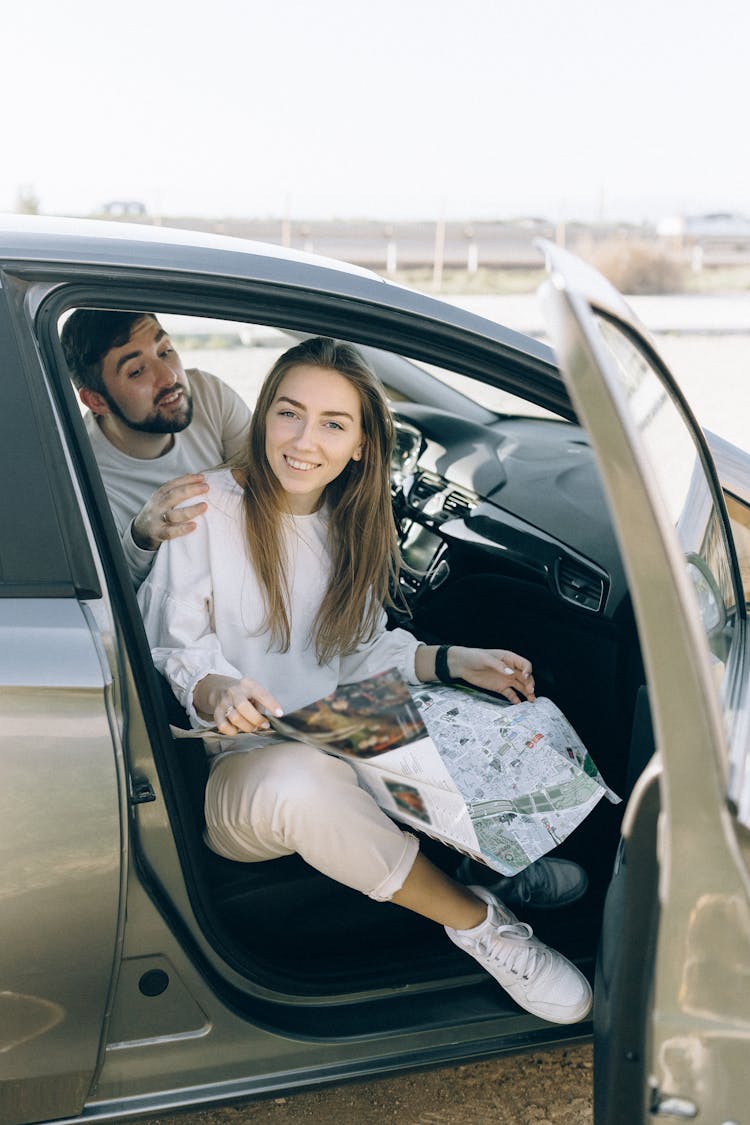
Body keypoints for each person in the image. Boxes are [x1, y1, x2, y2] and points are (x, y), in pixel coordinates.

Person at [137, 336, 593, 1025]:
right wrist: (219, 691)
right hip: (240, 774)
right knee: (305, 778)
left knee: (463, 720)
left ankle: (497, 861)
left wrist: (451, 660)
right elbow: (173, 644)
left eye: (332, 423)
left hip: (341, 731)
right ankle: (481, 923)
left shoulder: (347, 519)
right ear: (263, 417)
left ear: (360, 445)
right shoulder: (207, 507)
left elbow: (360, 650)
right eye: (289, 413)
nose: (303, 440)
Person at [61, 309, 251, 583]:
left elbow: (267, 490)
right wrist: (141, 540)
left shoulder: (210, 394)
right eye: (137, 371)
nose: (170, 377)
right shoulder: (80, 480)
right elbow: (110, 603)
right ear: (96, 401)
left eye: (165, 351)